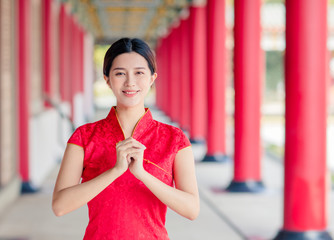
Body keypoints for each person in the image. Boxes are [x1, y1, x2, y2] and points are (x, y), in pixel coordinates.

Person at [52, 38, 200, 239]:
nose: (130, 82)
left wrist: (142, 174)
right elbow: (60, 206)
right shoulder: (84, 137)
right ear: (107, 80)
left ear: (152, 78)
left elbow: (192, 209)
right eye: (120, 73)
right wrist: (116, 171)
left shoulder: (175, 139)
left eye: (139, 73)